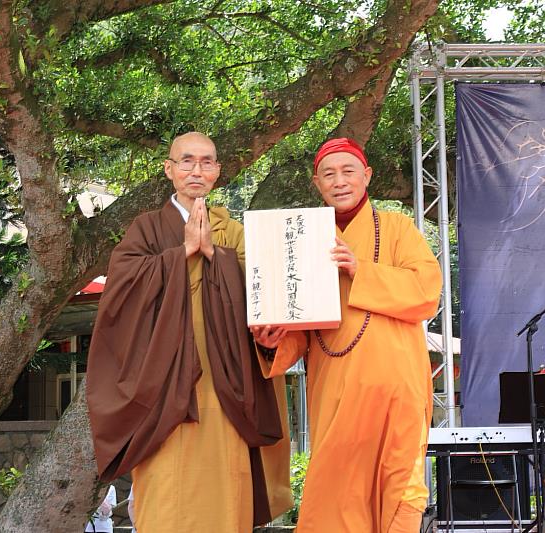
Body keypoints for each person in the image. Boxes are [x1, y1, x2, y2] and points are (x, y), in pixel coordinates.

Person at [87, 132, 292, 533]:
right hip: (164, 391)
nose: (196, 170)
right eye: (186, 161)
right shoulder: (145, 229)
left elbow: (262, 292)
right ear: (170, 169)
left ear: (217, 171)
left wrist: (214, 253)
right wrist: (180, 253)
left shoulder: (232, 232)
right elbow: (120, 294)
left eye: (206, 162)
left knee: (224, 492)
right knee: (167, 495)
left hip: (225, 387)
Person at [252, 138, 442, 533]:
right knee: (335, 495)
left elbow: (427, 293)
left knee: (399, 490)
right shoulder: (302, 239)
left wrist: (361, 270)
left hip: (396, 391)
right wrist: (272, 343)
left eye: (348, 171)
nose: (339, 181)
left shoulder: (397, 228)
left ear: (366, 176)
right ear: (317, 184)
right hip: (336, 390)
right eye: (329, 174)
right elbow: (301, 329)